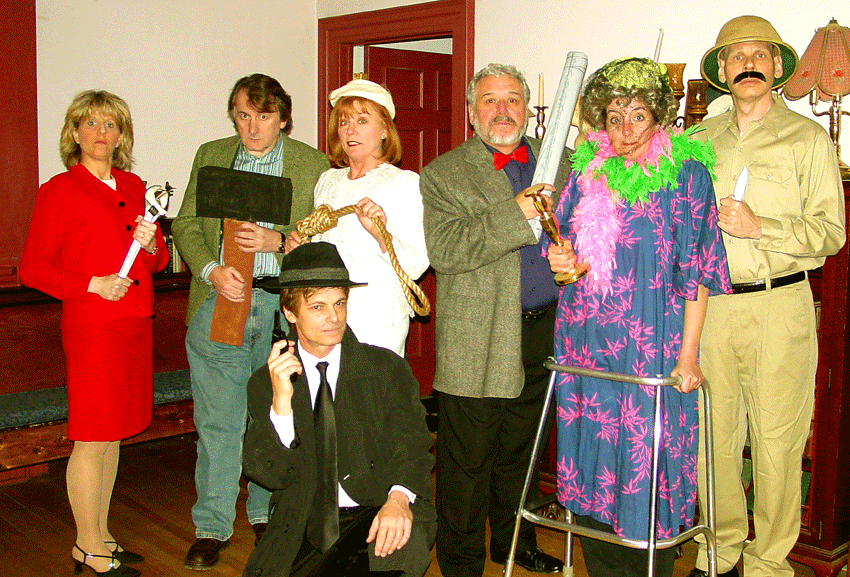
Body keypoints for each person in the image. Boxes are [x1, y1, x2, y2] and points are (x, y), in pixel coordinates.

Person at [544, 57, 731, 577]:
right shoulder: (586, 171)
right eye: (614, 117)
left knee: (650, 462)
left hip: (654, 344)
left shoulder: (688, 175)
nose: (626, 130)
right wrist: (562, 264)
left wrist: (689, 356)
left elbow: (697, 273)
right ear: (600, 120)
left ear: (661, 117)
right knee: (596, 455)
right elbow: (564, 254)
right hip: (587, 339)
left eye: (639, 116)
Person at [689, 16, 845, 577]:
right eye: (736, 56)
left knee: (777, 439)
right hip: (710, 308)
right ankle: (722, 551)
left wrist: (764, 228)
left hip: (780, 306)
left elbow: (831, 233)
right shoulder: (697, 143)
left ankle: (766, 564)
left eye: (759, 54)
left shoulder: (808, 139)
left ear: (777, 68)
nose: (748, 63)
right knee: (714, 437)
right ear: (722, 71)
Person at [172, 73, 330, 570]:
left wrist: (278, 242)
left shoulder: (311, 164)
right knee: (218, 420)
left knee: (272, 415)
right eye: (243, 115)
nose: (252, 127)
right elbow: (185, 223)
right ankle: (213, 527)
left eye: (263, 116)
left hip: (280, 309)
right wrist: (212, 269)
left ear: (283, 118)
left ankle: (265, 516)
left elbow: (324, 237)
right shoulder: (212, 154)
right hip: (220, 303)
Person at [420, 63, 569, 576]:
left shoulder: (562, 164)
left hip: (545, 329)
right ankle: (461, 563)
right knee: (466, 463)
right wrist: (518, 210)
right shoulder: (444, 173)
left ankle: (515, 545)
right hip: (477, 338)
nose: (502, 110)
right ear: (470, 112)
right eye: (489, 100)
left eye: (512, 100)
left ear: (527, 109)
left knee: (521, 455)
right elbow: (446, 251)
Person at [19, 90, 169, 577]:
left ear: (122, 135)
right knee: (91, 437)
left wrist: (149, 245)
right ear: (75, 133)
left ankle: (100, 536)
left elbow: (159, 262)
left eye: (111, 125)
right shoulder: (59, 190)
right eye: (92, 124)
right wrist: (92, 284)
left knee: (113, 437)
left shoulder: (132, 183)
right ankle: (87, 545)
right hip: (92, 327)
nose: (102, 133)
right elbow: (32, 269)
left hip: (133, 322)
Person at [241, 242, 436, 576]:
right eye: (317, 307)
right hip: (306, 519)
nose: (333, 317)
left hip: (378, 504)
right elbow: (269, 474)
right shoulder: (267, 381)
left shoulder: (385, 368)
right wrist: (282, 403)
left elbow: (412, 444)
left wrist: (399, 499)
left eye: (339, 303)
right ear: (290, 312)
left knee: (398, 555)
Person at [286, 79, 428, 355]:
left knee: (371, 397)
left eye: (362, 121)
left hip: (375, 323)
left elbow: (416, 264)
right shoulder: (327, 182)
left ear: (385, 129)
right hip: (324, 320)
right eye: (343, 122)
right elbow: (326, 252)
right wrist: (301, 252)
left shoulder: (402, 183)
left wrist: (380, 232)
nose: (350, 130)